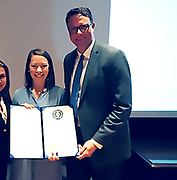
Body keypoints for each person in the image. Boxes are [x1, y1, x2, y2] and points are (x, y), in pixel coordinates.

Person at [63, 7, 132, 180]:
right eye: (73, 29)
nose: (79, 33)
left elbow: (123, 107)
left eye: (83, 27)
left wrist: (96, 141)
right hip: (76, 147)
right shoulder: (69, 60)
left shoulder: (113, 56)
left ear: (93, 26)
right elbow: (73, 100)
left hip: (107, 150)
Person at [9, 48, 64, 180]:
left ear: (49, 68)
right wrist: (20, 113)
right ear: (28, 69)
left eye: (43, 66)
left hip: (50, 159)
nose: (39, 70)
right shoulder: (18, 95)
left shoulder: (60, 94)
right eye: (34, 66)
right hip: (22, 159)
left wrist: (60, 149)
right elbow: (13, 129)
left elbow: (64, 127)